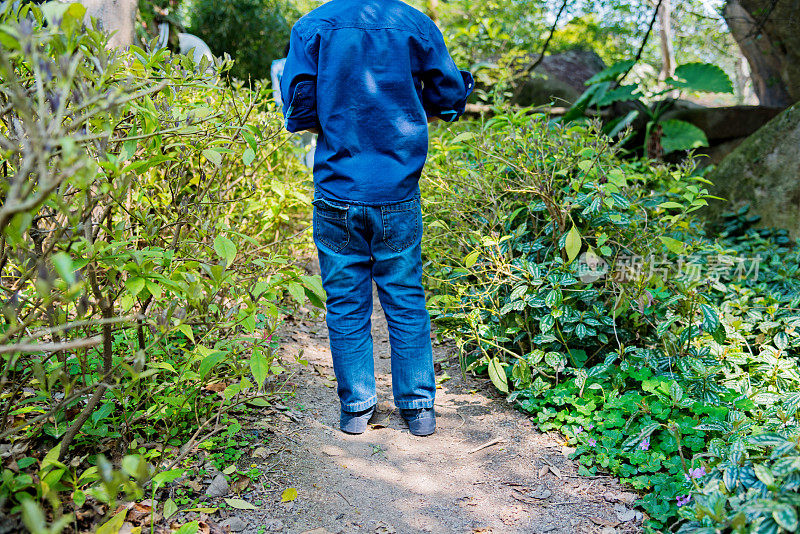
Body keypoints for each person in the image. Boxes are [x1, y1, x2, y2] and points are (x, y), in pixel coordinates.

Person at [280, 0, 472, 436]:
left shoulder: (313, 27)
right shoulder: (414, 24)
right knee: (405, 298)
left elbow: (300, 106)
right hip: (397, 190)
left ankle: (357, 409)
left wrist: (333, 122)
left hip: (337, 188)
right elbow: (448, 97)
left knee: (346, 303)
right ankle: (419, 410)